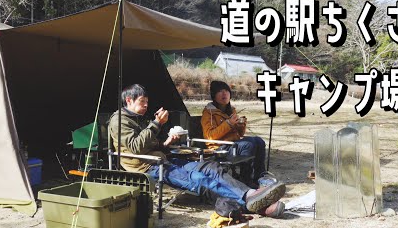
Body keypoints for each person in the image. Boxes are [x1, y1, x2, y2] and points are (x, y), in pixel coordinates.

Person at [109, 84, 285, 217]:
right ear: (129, 101)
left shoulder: (138, 118)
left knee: (210, 167)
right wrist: (156, 124)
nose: (146, 105)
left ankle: (251, 194)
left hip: (163, 160)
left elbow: (151, 144)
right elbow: (135, 147)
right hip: (149, 167)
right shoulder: (119, 121)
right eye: (142, 102)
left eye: (147, 102)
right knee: (200, 178)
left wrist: (167, 142)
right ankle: (255, 204)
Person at [201, 80, 267, 186]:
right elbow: (210, 136)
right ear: (214, 95)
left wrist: (241, 126)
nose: (224, 94)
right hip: (218, 148)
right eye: (220, 91)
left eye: (226, 91)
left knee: (259, 141)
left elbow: (239, 135)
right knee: (248, 144)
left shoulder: (231, 110)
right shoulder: (209, 113)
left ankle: (259, 177)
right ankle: (245, 179)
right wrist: (228, 124)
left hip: (233, 144)